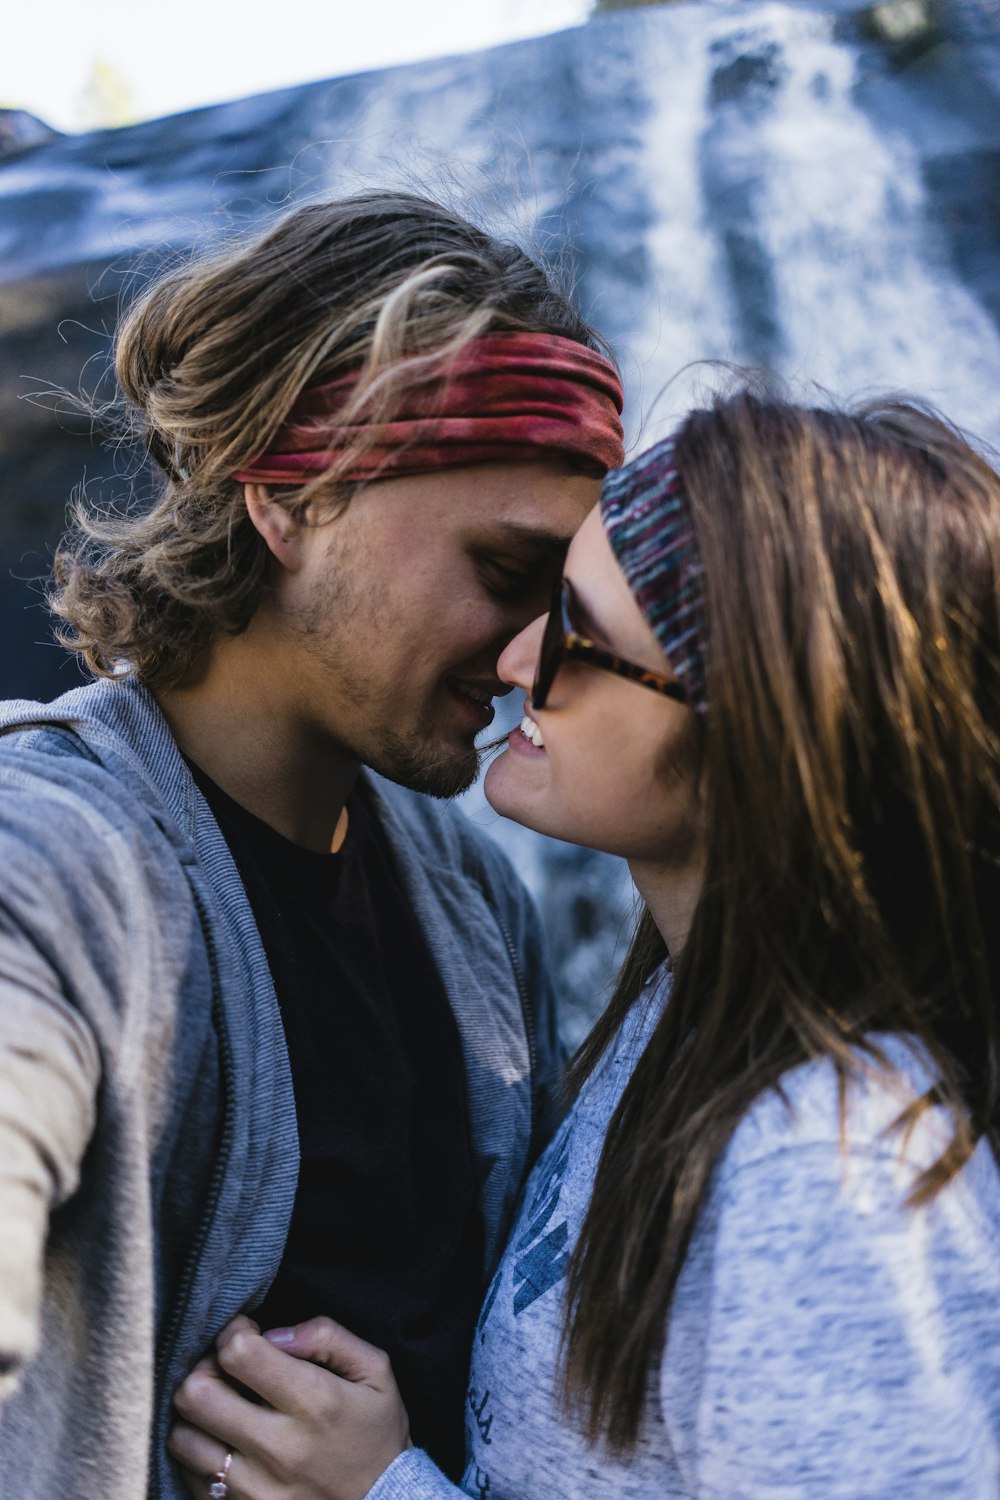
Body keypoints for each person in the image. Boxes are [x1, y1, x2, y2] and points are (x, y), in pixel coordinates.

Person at [170, 388, 1000, 1498]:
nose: (515, 659)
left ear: (754, 733)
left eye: (578, 634)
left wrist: (386, 1493)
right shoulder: (688, 1016)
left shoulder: (829, 1184)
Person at [0, 191, 628, 1498]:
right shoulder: (54, 868)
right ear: (291, 494)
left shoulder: (470, 890)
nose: (539, 660)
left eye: (570, 601)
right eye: (508, 572)